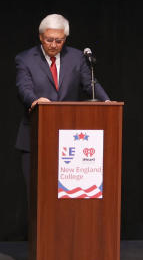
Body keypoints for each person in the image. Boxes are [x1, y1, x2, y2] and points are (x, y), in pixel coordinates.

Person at [14, 13, 109, 185]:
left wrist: (107, 102)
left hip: (70, 140)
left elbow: (90, 84)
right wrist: (35, 100)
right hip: (35, 136)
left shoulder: (76, 57)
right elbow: (24, 87)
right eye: (49, 40)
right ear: (41, 37)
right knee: (37, 193)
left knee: (67, 195)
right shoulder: (25, 59)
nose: (53, 45)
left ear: (65, 38)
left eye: (59, 41)